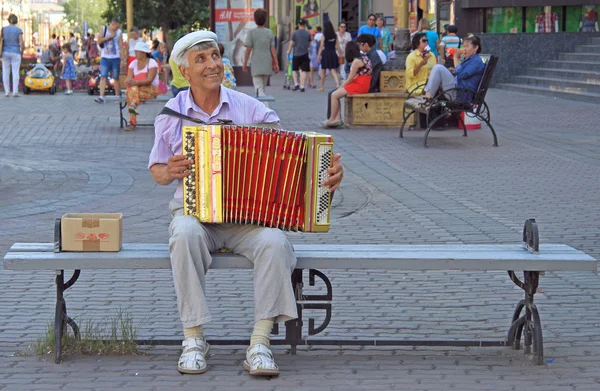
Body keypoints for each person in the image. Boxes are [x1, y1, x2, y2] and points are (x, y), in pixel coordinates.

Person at [149, 30, 344, 377]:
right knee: (183, 234)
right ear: (185, 72)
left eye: (215, 55)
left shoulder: (252, 109)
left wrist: (325, 173)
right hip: (195, 214)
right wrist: (169, 169)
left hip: (247, 218)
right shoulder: (171, 114)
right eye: (201, 59)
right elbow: (157, 171)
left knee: (275, 241)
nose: (213, 64)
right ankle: (193, 339)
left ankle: (260, 342)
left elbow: (293, 160)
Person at [323, 40, 372, 128]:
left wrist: (341, 86)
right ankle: (337, 118)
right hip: (363, 82)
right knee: (336, 94)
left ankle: (332, 119)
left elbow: (350, 79)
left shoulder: (356, 61)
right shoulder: (364, 57)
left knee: (334, 95)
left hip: (360, 84)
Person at [422, 35, 485, 103]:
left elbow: (462, 74)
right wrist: (454, 70)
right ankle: (427, 98)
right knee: (438, 69)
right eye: (464, 46)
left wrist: (455, 58)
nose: (464, 49)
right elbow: (461, 72)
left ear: (475, 48)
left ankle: (427, 99)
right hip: (458, 89)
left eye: (467, 46)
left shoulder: (476, 61)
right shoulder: (470, 59)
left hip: (460, 93)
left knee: (438, 67)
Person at [243, 8, 279, 96]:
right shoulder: (269, 32)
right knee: (262, 87)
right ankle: (263, 105)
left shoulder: (252, 33)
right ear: (265, 19)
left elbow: (248, 49)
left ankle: (264, 106)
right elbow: (273, 49)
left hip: (256, 63)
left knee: (258, 89)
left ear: (255, 19)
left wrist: (245, 63)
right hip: (267, 62)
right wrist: (276, 63)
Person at [124, 41, 159, 131]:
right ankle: (133, 106)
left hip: (151, 89)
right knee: (132, 91)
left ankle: (132, 122)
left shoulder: (152, 63)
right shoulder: (133, 64)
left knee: (131, 93)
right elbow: (128, 78)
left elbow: (149, 80)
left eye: (137, 52)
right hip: (136, 89)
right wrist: (128, 82)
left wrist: (135, 82)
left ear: (144, 53)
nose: (135, 54)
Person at [94, 17, 123, 103]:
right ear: (112, 24)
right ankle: (101, 97)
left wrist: (123, 58)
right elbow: (99, 41)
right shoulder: (104, 29)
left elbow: (121, 45)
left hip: (115, 57)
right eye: (116, 27)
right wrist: (110, 36)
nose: (117, 29)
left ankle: (117, 96)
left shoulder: (119, 32)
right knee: (103, 76)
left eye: (118, 27)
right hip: (105, 57)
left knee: (116, 77)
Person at [1, 14, 24, 97]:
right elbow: (21, 42)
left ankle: (7, 91)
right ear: (16, 21)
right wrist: (22, 51)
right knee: (15, 72)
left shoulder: (3, 29)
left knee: (5, 72)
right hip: (16, 52)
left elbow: (1, 40)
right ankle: (15, 91)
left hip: (5, 51)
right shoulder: (18, 30)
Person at [286, 19, 311, 92]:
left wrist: (288, 51)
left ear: (298, 25)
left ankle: (296, 84)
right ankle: (302, 86)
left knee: (294, 69)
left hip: (296, 54)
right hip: (305, 53)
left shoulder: (294, 33)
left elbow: (291, 43)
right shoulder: (307, 33)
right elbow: (309, 44)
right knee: (304, 70)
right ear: (305, 25)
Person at [317, 20, 342, 91]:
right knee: (333, 70)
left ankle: (322, 87)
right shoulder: (335, 35)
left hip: (326, 53)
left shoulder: (324, 36)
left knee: (323, 71)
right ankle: (337, 84)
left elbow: (321, 46)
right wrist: (340, 53)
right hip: (333, 53)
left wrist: (319, 55)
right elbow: (337, 46)